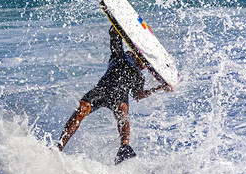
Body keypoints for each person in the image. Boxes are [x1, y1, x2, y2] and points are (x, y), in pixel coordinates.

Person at [57, 26, 169, 164]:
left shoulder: (140, 77)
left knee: (122, 114)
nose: (144, 66)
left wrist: (159, 88)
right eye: (143, 61)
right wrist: (121, 27)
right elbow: (114, 35)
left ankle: (125, 147)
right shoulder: (119, 55)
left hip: (120, 96)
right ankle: (58, 147)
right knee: (81, 109)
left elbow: (138, 95)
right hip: (102, 90)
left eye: (146, 64)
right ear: (135, 54)